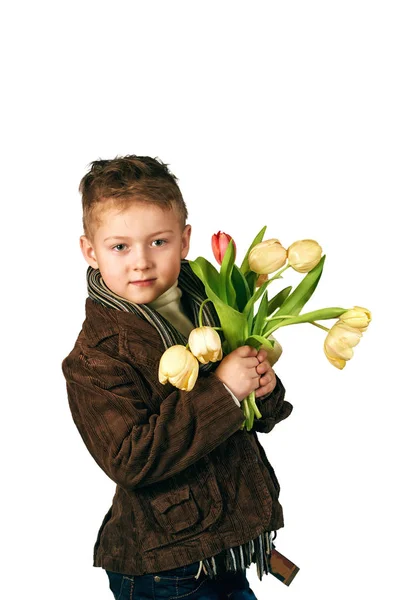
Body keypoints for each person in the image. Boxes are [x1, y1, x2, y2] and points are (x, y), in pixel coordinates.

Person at [61, 155, 294, 599]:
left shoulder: (212, 298)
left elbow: (250, 417)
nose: (141, 263)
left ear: (184, 240)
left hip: (223, 547)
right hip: (167, 569)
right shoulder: (95, 357)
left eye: (158, 242)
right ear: (91, 252)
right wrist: (223, 390)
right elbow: (132, 459)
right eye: (119, 247)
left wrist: (261, 386)